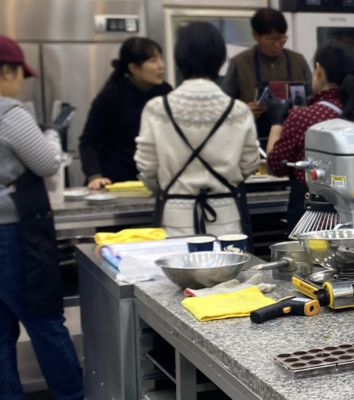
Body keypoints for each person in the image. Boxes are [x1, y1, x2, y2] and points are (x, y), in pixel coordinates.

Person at [0, 36, 84, 400]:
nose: (21, 82)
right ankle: (72, 396)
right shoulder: (9, 113)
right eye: (20, 73)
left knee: (1, 332)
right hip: (13, 235)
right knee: (44, 321)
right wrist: (52, 133)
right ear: (7, 71)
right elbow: (47, 163)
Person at [135, 22, 260, 238]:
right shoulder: (238, 110)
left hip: (174, 223)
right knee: (228, 262)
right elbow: (249, 164)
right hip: (227, 222)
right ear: (220, 58)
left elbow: (147, 168)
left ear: (179, 58)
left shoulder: (157, 109)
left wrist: (171, 186)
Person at [266, 41, 354, 232]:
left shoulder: (302, 117)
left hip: (312, 219)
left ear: (318, 70)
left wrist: (276, 123)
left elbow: (275, 165)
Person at [79, 37, 172, 190]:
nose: (161, 66)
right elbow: (89, 142)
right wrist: (95, 176)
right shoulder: (110, 96)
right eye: (153, 61)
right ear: (134, 68)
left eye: (161, 59)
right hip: (114, 181)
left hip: (152, 182)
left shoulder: (166, 92)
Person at [221, 8, 312, 147]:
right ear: (255, 35)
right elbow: (224, 105)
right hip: (253, 141)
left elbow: (314, 96)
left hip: (294, 139)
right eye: (271, 39)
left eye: (281, 39)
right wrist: (244, 109)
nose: (277, 45)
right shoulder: (240, 63)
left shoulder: (298, 61)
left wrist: (302, 105)